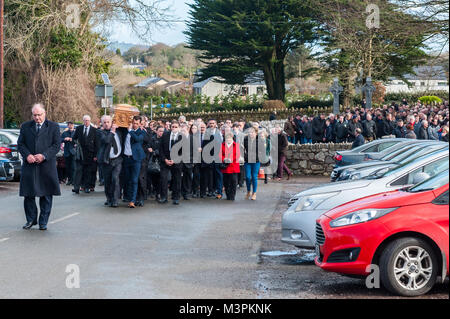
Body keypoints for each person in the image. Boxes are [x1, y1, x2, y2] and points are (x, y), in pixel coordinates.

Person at [18, 103, 61, 231]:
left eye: (39, 115)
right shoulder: (26, 126)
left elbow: (56, 145)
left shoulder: (53, 126)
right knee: (28, 194)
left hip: (46, 165)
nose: (37, 118)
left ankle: (43, 222)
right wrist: (27, 155)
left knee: (46, 195)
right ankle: (30, 220)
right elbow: (20, 144)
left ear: (44, 113)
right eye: (35, 115)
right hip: (30, 165)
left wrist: (44, 155)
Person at [97, 115, 123, 208]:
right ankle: (109, 198)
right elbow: (107, 140)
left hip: (118, 160)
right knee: (107, 181)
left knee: (115, 179)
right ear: (102, 123)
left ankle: (115, 200)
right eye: (104, 122)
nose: (107, 124)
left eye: (108, 122)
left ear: (112, 122)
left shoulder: (119, 131)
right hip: (106, 161)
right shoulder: (100, 132)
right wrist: (112, 131)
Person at [123, 116, 146, 208]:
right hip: (126, 158)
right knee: (127, 179)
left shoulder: (142, 132)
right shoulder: (126, 131)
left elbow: (137, 139)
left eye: (137, 123)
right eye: (133, 123)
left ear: (140, 124)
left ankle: (133, 200)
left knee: (134, 180)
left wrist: (130, 131)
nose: (135, 125)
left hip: (136, 159)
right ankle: (128, 197)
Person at [72, 115, 98, 194]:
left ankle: (87, 187)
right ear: (83, 121)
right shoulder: (79, 128)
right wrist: (75, 144)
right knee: (78, 171)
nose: (86, 122)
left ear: (90, 121)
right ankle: (76, 187)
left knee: (88, 171)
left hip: (90, 154)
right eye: (85, 120)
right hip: (80, 154)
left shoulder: (94, 130)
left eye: (88, 120)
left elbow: (97, 144)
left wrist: (95, 155)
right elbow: (74, 138)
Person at [159, 121, 183, 205]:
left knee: (177, 180)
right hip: (165, 160)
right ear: (170, 127)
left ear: (179, 128)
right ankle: (163, 197)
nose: (174, 128)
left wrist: (175, 160)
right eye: (173, 126)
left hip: (177, 161)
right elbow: (161, 148)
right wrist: (165, 159)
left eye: (176, 127)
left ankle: (176, 197)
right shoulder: (165, 135)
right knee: (163, 179)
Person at [220, 132, 241, 201]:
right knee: (226, 182)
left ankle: (232, 195)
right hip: (226, 166)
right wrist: (224, 159)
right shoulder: (222, 145)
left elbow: (237, 155)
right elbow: (220, 154)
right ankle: (228, 194)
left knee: (233, 181)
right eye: (227, 138)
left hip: (233, 165)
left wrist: (231, 159)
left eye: (229, 138)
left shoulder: (236, 145)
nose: (228, 139)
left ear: (232, 138)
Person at [243, 127, 260, 200]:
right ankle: (248, 191)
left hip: (256, 161)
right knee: (247, 177)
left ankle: (254, 193)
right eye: (249, 132)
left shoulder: (259, 140)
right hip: (247, 161)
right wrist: (243, 156)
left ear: (256, 133)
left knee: (254, 177)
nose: (251, 133)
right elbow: (242, 148)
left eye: (252, 132)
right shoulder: (246, 139)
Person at [61, 121, 76, 185]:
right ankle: (69, 180)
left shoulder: (76, 133)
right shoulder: (64, 133)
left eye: (72, 125)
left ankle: (73, 180)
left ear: (73, 125)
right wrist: (64, 139)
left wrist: (71, 139)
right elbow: (60, 139)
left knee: (73, 167)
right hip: (67, 152)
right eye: (69, 125)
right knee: (68, 167)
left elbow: (78, 140)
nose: (71, 126)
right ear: (68, 126)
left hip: (73, 152)